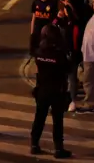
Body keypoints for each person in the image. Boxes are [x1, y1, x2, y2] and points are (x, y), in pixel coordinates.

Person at [30, 24, 72, 159]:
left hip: (42, 89)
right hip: (57, 91)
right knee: (57, 120)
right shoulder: (59, 54)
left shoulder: (39, 52)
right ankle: (59, 149)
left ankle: (34, 145)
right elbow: (68, 69)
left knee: (39, 117)